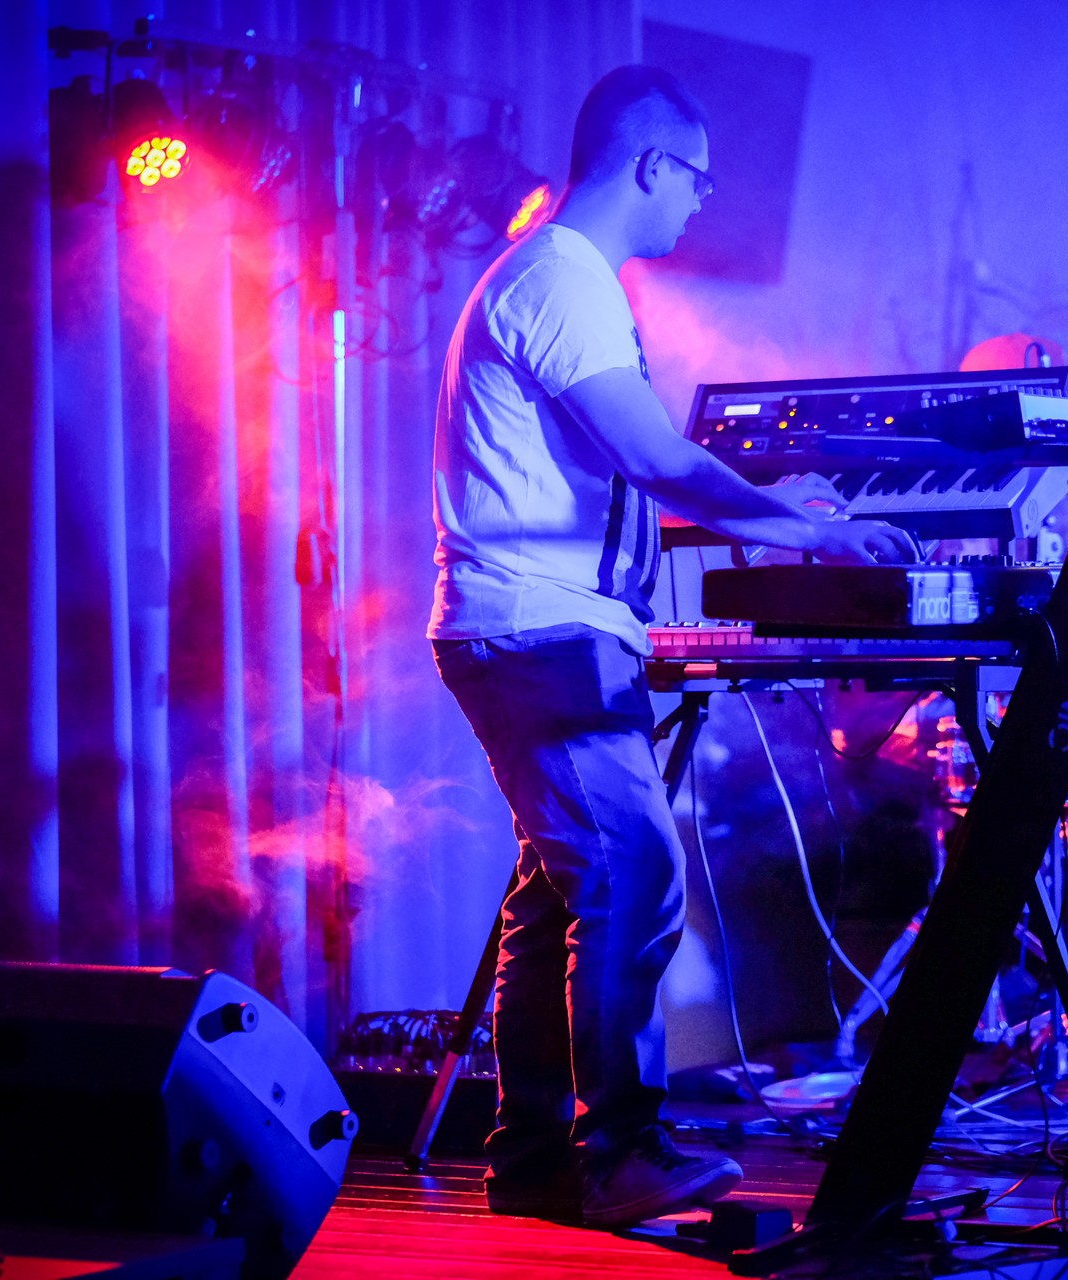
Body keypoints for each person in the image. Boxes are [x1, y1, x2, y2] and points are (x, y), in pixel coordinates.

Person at [428, 65, 917, 1229]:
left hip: (538, 626)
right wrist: (805, 530)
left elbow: (619, 481)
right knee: (633, 872)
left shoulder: (561, 278)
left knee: (559, 895)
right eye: (695, 178)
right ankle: (618, 1153)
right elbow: (656, 459)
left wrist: (772, 512)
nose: (699, 202)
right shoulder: (562, 277)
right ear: (650, 163)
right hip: (539, 631)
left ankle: (533, 1157)